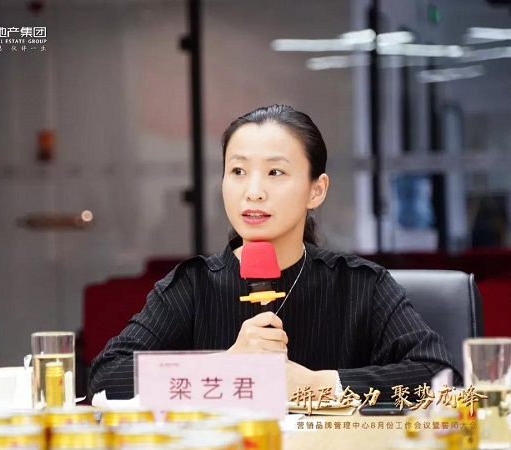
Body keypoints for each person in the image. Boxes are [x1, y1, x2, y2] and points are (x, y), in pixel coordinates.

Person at [88, 104, 461, 400]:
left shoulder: (362, 285)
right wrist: (225, 367)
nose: (253, 192)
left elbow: (439, 374)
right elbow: (106, 377)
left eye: (275, 173)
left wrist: (317, 385)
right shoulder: (193, 285)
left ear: (316, 190)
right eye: (237, 171)